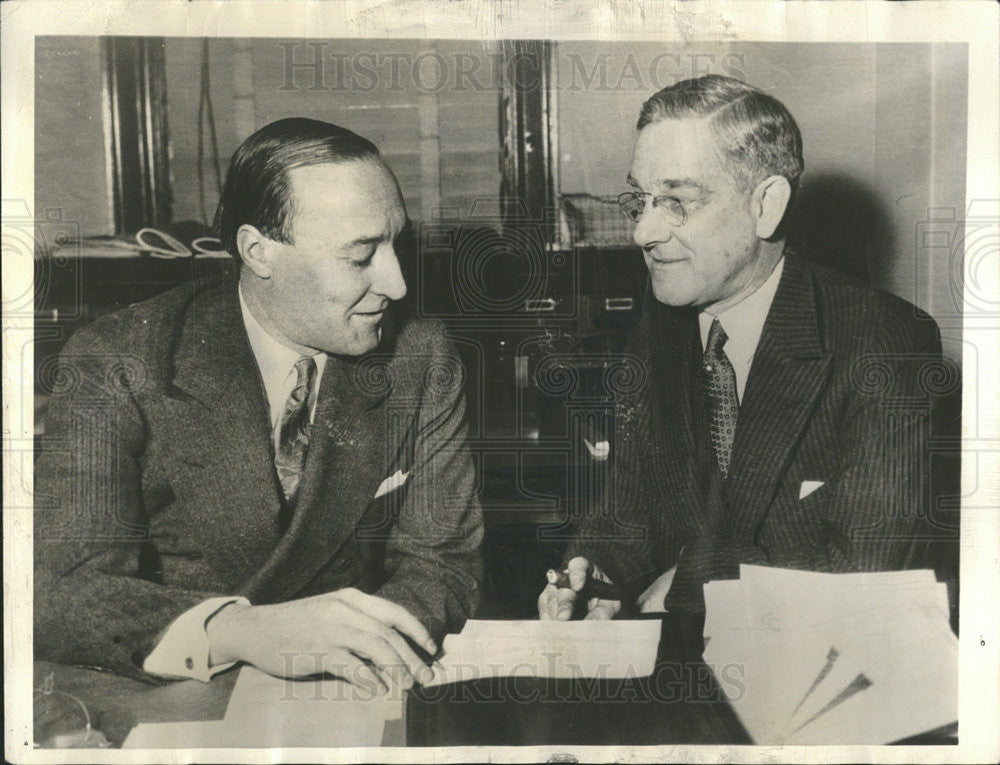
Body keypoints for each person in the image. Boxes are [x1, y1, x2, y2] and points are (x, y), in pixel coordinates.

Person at [35, 118, 484, 692]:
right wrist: (238, 630)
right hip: (175, 696)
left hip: (352, 692)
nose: (396, 284)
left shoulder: (420, 355)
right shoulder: (118, 361)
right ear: (258, 251)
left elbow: (443, 563)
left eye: (397, 243)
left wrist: (366, 656)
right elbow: (60, 591)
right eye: (361, 256)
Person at [539, 75, 956, 621]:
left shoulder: (885, 343)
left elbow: (868, 566)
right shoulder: (659, 327)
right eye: (639, 199)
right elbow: (632, 512)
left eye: (676, 201)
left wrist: (696, 580)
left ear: (766, 205)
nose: (642, 232)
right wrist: (595, 572)